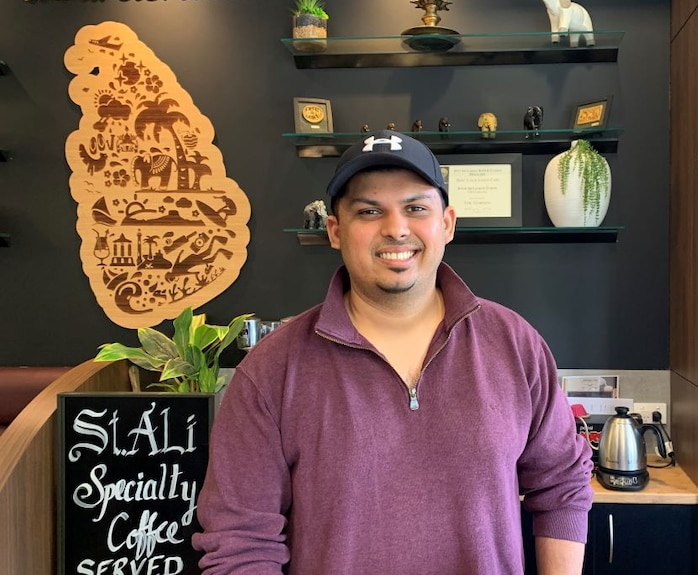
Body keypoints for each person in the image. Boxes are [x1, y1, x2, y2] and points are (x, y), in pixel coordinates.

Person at [192, 130, 594, 574]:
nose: (396, 228)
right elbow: (240, 543)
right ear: (334, 231)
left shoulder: (514, 344)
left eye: (416, 208)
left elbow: (562, 484)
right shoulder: (270, 370)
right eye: (369, 211)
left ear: (447, 223)